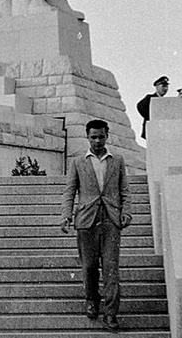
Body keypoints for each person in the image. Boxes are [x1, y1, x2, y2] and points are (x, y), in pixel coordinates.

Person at [60, 119, 132, 332]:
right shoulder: (78, 161)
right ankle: (92, 300)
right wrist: (66, 215)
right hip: (86, 220)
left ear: (107, 136)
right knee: (89, 266)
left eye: (101, 136)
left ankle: (110, 314)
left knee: (111, 268)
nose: (98, 141)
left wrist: (126, 212)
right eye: (93, 137)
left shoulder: (117, 161)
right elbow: (70, 191)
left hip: (111, 220)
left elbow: (125, 191)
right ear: (87, 137)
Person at [136, 76, 169, 140]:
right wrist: (151, 117)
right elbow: (139, 106)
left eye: (166, 87)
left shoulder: (165, 101)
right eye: (163, 86)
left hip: (161, 130)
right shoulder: (150, 98)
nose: (165, 89)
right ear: (157, 87)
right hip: (151, 129)